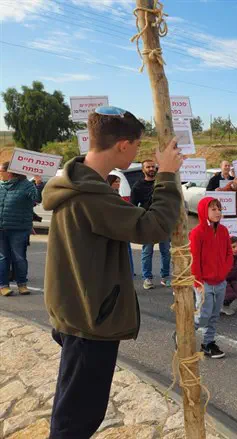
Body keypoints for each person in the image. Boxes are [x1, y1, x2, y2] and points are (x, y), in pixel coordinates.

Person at [42, 106, 182, 438]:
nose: (138, 153)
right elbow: (153, 226)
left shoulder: (80, 184)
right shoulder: (90, 196)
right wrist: (166, 175)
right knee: (75, 421)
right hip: (90, 320)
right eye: (137, 145)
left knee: (75, 412)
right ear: (122, 145)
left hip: (79, 313)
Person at [190, 196, 233, 359]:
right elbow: (194, 259)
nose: (218, 212)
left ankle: (208, 343)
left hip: (220, 281)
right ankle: (183, 334)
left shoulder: (223, 231)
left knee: (214, 315)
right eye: (213, 209)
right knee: (203, 315)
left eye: (219, 209)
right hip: (204, 283)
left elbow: (229, 253)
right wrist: (198, 282)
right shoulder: (197, 233)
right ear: (204, 211)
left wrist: (224, 271)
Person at [0, 162, 40, 296]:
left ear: (10, 172)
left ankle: (22, 284)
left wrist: (38, 183)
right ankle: (3, 286)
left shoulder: (26, 185)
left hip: (19, 228)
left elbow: (37, 198)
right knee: (3, 257)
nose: (0, 174)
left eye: (1, 171)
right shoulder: (0, 186)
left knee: (19, 258)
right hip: (1, 229)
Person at [130, 159, 172, 289]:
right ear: (143, 169)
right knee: (147, 252)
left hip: (163, 222)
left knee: (166, 252)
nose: (151, 169)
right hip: (148, 223)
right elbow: (133, 206)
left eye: (153, 167)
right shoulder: (137, 186)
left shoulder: (162, 184)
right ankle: (147, 278)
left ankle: (165, 277)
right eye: (148, 167)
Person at [221, 236, 237, 316]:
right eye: (233, 247)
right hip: (222, 280)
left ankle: (225, 306)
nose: (236, 249)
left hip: (232, 279)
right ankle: (218, 306)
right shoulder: (224, 257)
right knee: (229, 293)